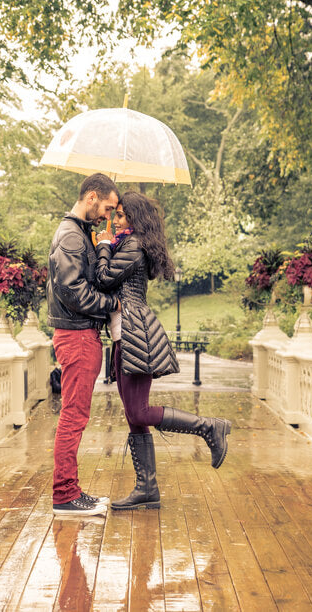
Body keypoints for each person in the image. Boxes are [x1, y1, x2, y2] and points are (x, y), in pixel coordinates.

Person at [95, 191, 232, 511]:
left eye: (123, 215)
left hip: (134, 334)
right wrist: (104, 244)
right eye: (116, 214)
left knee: (139, 412)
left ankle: (209, 427)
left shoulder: (133, 246)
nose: (117, 220)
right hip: (124, 334)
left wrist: (102, 244)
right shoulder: (126, 244)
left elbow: (103, 279)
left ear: (136, 218)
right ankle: (147, 488)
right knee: (134, 417)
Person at [47, 172, 120, 516]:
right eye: (107, 207)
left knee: (76, 414)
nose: (108, 215)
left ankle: (71, 490)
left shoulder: (81, 234)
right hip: (76, 335)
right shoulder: (71, 236)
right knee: (73, 416)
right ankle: (64, 495)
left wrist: (103, 243)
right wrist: (112, 306)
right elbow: (73, 291)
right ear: (92, 197)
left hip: (80, 333)